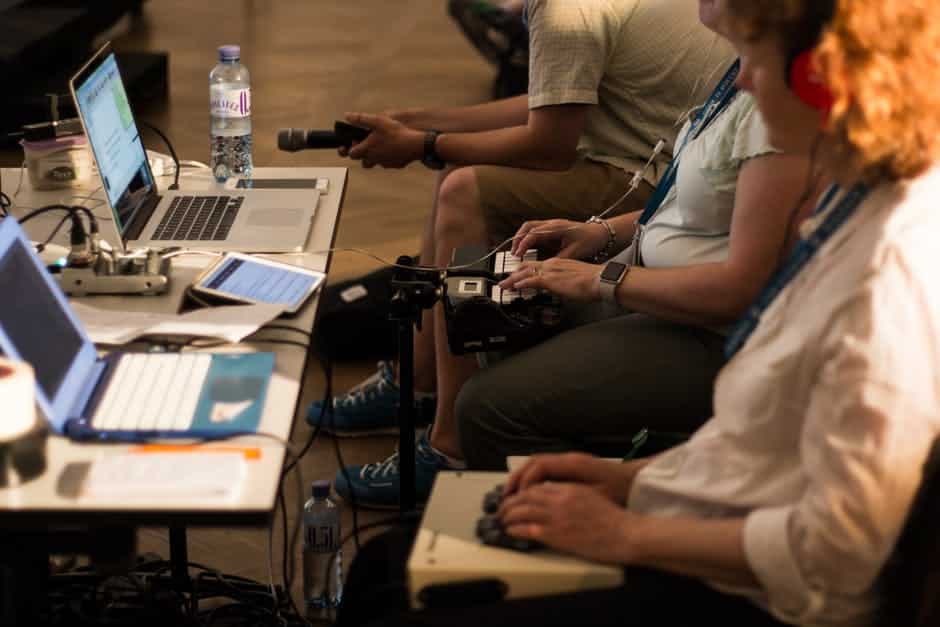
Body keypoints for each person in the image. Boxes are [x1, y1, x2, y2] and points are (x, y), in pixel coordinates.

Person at [337, 0, 940, 625]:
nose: (741, 81)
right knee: (386, 565)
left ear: (818, 77)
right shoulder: (850, 198)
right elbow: (759, 447)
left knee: (393, 589)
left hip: (752, 591)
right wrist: (630, 483)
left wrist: (622, 532)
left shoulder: (887, 278)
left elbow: (834, 556)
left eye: (756, 62)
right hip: (703, 511)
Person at [320, 0, 819, 507]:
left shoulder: (769, 104)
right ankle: (424, 387)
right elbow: (554, 105)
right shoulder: (744, 70)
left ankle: (458, 451)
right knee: (491, 313)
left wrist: (600, 279)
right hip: (650, 248)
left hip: (696, 309)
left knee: (465, 208)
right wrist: (600, 233)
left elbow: (550, 142)